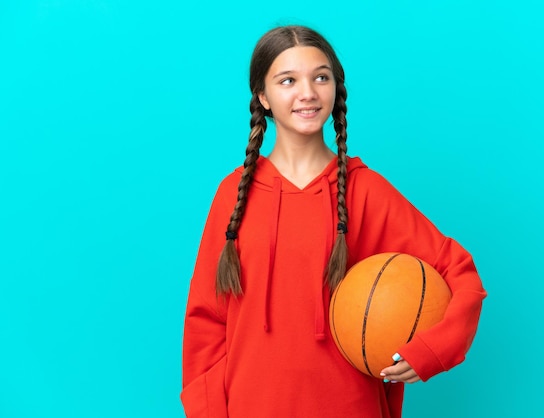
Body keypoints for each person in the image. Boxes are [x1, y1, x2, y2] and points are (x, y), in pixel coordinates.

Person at [181, 25, 487, 418]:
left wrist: (432, 350)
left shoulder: (366, 192)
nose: (307, 93)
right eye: (288, 80)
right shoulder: (233, 195)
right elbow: (205, 322)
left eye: (320, 77)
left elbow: (459, 273)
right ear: (263, 97)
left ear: (335, 89)